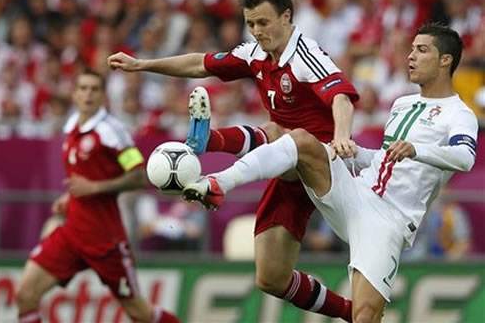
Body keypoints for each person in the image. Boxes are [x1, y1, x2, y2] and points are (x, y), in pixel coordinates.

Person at [182, 23, 478, 322]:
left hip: (389, 221)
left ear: (446, 60)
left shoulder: (459, 114)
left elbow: (464, 158)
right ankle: (219, 181)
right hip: (356, 194)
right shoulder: (402, 104)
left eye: (422, 50)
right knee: (300, 140)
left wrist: (417, 150)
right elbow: (387, 158)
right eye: (412, 49)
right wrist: (354, 152)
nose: (411, 56)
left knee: (364, 316)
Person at [108, 0, 358, 321]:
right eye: (251, 23)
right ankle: (353, 313)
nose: (256, 31)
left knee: (279, 131)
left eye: (264, 22)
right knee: (270, 278)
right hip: (284, 168)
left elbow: (341, 97)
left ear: (286, 17)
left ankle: (212, 156)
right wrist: (142, 65)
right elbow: (200, 64)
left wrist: (343, 135)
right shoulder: (254, 54)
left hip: (324, 162)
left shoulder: (305, 54)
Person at [15, 69, 179, 323]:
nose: (88, 94)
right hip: (72, 234)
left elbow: (138, 175)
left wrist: (95, 188)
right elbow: (84, 173)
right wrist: (70, 198)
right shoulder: (71, 127)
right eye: (83, 88)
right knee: (25, 295)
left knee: (139, 313)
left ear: (103, 96)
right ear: (75, 94)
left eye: (94, 89)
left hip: (105, 240)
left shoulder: (112, 132)